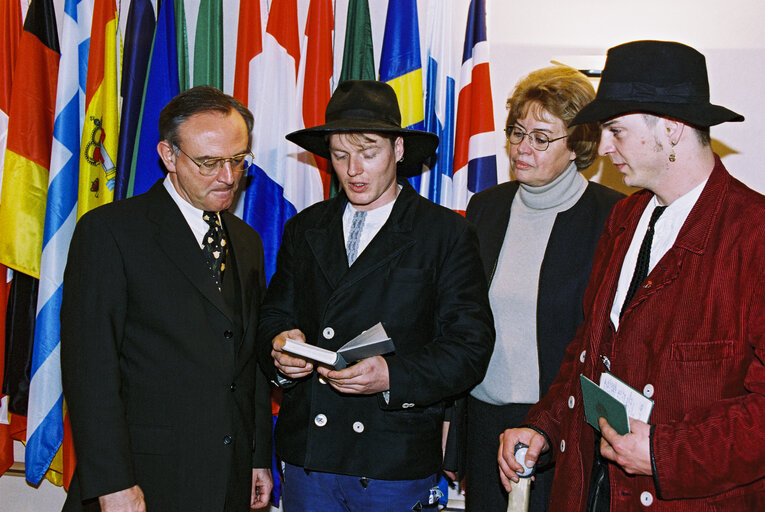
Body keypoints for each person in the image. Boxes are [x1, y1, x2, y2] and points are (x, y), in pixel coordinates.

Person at [498, 40, 765, 511]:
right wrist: (544, 425)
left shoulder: (753, 236)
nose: (602, 147)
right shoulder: (624, 218)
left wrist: (665, 453)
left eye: (616, 131)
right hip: (593, 491)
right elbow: (588, 349)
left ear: (674, 129)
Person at [256, 80, 495, 512]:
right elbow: (274, 313)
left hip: (392, 459)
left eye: (368, 154)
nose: (353, 170)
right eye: (341, 156)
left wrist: (392, 376)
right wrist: (280, 349)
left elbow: (470, 348)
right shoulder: (304, 227)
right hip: (310, 454)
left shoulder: (444, 234)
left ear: (398, 150)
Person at [61, 86, 273, 512]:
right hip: (144, 479)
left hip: (229, 478)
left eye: (238, 160)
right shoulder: (111, 232)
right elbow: (90, 370)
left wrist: (256, 458)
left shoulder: (247, 242)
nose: (228, 176)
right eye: (209, 163)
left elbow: (246, 361)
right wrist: (113, 483)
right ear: (168, 155)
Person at [460, 65, 624, 511]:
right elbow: (461, 322)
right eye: (517, 132)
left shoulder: (613, 217)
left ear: (577, 145)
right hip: (484, 420)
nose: (522, 148)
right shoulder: (485, 208)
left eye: (541, 137)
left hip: (563, 425)